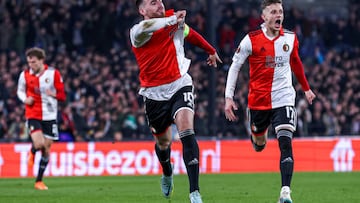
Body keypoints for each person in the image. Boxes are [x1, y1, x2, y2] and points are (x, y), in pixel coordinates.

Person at [224, 0, 316, 203]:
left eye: (280, 11)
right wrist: (228, 97)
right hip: (258, 102)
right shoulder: (251, 40)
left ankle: (285, 192)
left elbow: (296, 62)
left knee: (285, 141)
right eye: (273, 12)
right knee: (259, 144)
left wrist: (306, 89)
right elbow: (235, 67)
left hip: (284, 98)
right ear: (263, 17)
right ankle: (258, 137)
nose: (278, 15)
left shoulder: (290, 38)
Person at [130, 0, 222, 202]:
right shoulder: (137, 31)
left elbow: (190, 34)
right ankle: (167, 171)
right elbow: (149, 26)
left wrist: (211, 50)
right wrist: (172, 19)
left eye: (160, 0)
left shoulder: (174, 21)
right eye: (153, 3)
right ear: (142, 10)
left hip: (180, 84)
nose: (159, 4)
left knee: (186, 130)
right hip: (154, 94)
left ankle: (194, 192)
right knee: (163, 143)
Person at [17, 47, 66, 190]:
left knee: (46, 149)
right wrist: (25, 99)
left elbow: (63, 96)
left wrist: (53, 94)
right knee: (39, 144)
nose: (31, 65)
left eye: (34, 62)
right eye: (29, 62)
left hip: (50, 116)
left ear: (41, 61)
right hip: (33, 114)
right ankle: (32, 152)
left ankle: (39, 181)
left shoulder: (53, 74)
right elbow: (19, 91)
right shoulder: (24, 75)